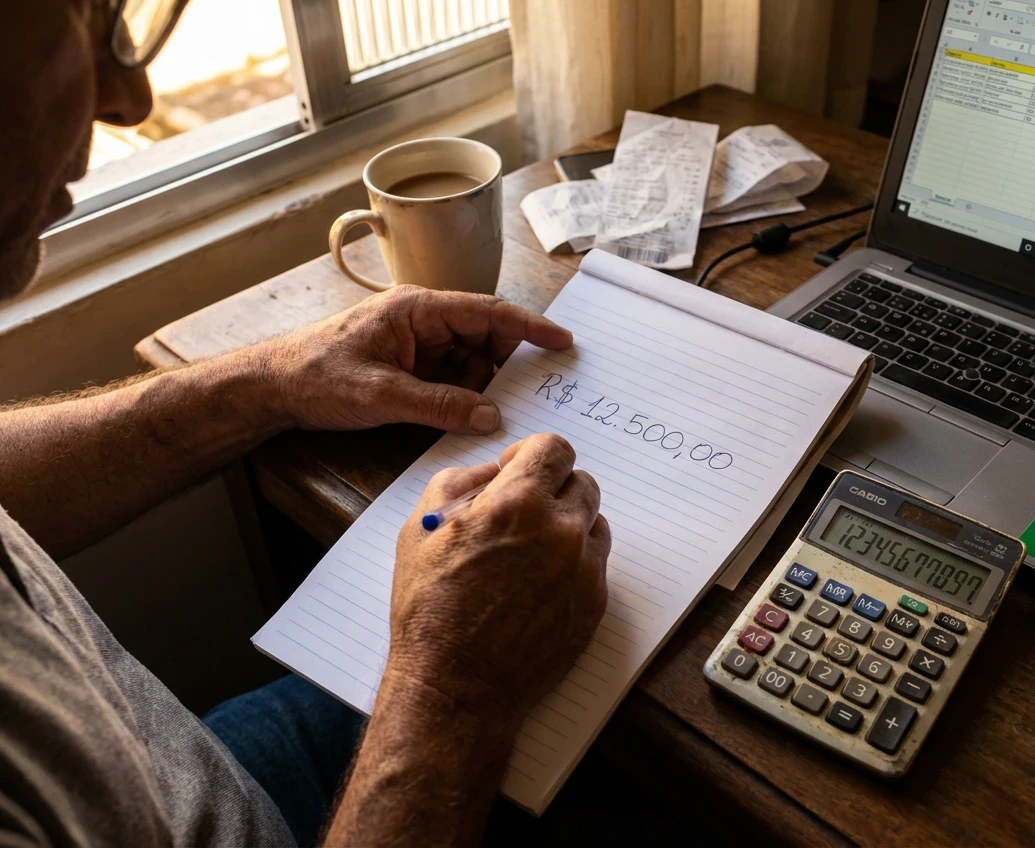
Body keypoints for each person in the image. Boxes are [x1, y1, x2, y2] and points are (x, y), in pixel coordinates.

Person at [0, 3, 610, 846]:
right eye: (86, 18)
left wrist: (271, 382)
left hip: (167, 766)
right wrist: (451, 689)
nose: (131, 99)